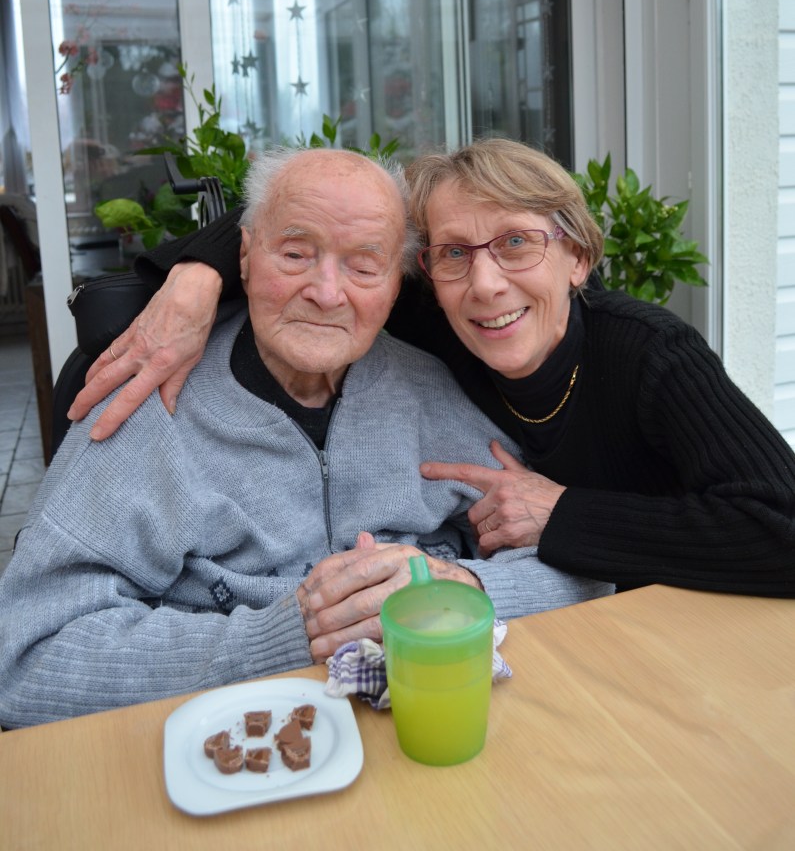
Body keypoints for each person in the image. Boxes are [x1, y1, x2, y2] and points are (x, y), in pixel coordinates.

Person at [0, 147, 610, 730]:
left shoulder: (437, 390)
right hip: (236, 756)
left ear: (397, 286)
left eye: (364, 264)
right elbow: (24, 658)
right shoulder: (148, 405)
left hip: (431, 732)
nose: (325, 291)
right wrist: (287, 638)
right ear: (243, 259)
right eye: (295, 254)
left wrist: (465, 588)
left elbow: (582, 567)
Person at [68, 139, 795, 598]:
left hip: (673, 627)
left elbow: (781, 531)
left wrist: (562, 514)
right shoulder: (430, 315)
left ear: (577, 257)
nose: (485, 286)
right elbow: (323, 219)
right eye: (453, 253)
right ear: (421, 271)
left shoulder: (645, 353)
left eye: (517, 243)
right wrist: (193, 280)